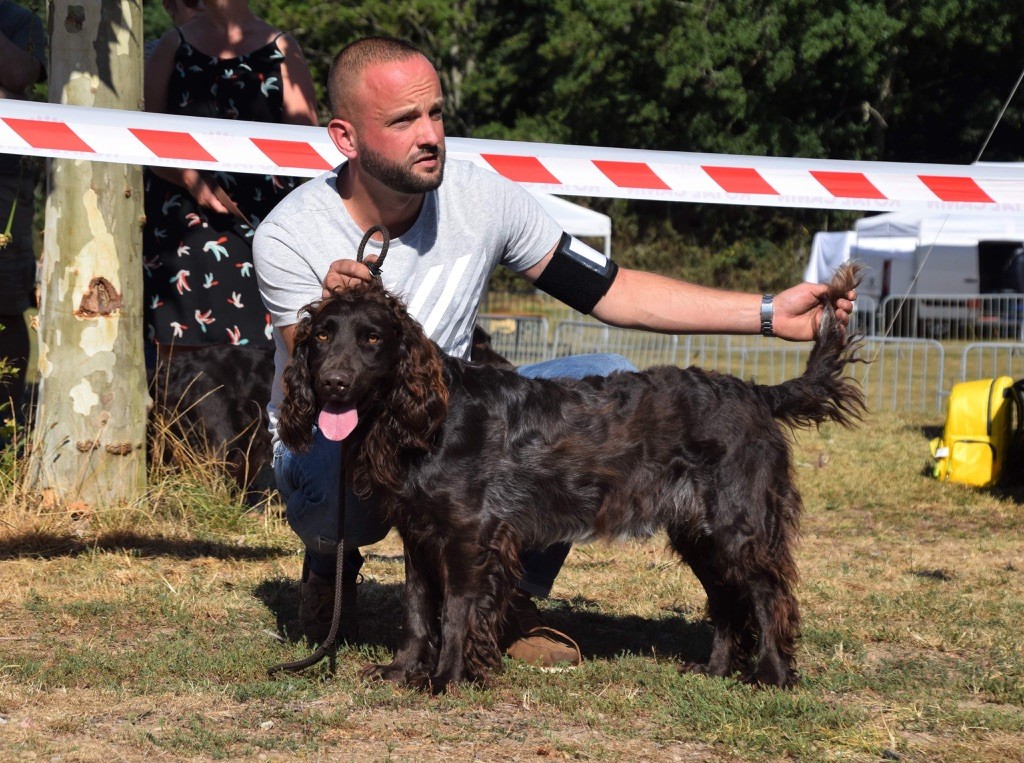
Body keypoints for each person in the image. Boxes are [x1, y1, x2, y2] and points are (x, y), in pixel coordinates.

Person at [252, 36, 856, 669]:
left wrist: (766, 313)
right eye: (403, 120)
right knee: (344, 465)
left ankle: (505, 595)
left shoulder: (481, 197)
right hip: (331, 439)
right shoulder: (290, 233)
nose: (429, 135)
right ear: (346, 138)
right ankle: (329, 565)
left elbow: (611, 289)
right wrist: (331, 309)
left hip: (452, 425)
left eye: (435, 113)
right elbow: (320, 379)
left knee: (603, 378)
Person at [143, 0, 317, 363]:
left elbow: (308, 150)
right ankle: (179, 419)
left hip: (264, 221)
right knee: (184, 347)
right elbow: (147, 141)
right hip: (183, 218)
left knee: (267, 347)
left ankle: (260, 419)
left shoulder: (283, 49)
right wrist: (193, 181)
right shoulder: (171, 46)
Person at [0, 0, 46, 438]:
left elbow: (19, 75)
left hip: (5, 188)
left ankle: (7, 421)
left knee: (8, 303)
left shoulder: (20, 21)